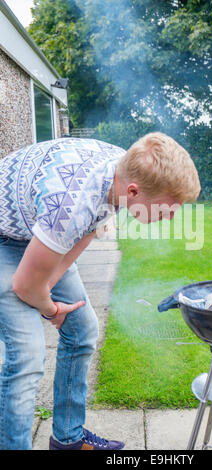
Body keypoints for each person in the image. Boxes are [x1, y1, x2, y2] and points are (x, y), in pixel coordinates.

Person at [0, 132, 200, 450]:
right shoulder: (71, 204)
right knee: (27, 355)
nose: (172, 216)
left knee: (82, 330)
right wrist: (50, 309)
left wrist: (50, 287)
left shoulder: (123, 173)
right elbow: (25, 286)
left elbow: (86, 233)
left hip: (40, 228)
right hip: (4, 234)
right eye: (169, 207)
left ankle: (68, 439)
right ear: (134, 191)